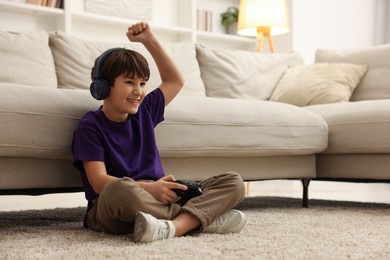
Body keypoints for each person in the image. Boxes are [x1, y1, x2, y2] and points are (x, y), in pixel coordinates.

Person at [72, 22, 246, 243]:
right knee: (118, 188)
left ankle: (172, 226)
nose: (138, 91)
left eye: (143, 83)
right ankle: (198, 220)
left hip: (162, 198)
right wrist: (150, 189)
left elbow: (175, 80)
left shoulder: (144, 111)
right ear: (103, 87)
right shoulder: (90, 126)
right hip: (116, 205)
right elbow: (98, 182)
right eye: (129, 82)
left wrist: (149, 40)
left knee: (234, 182)